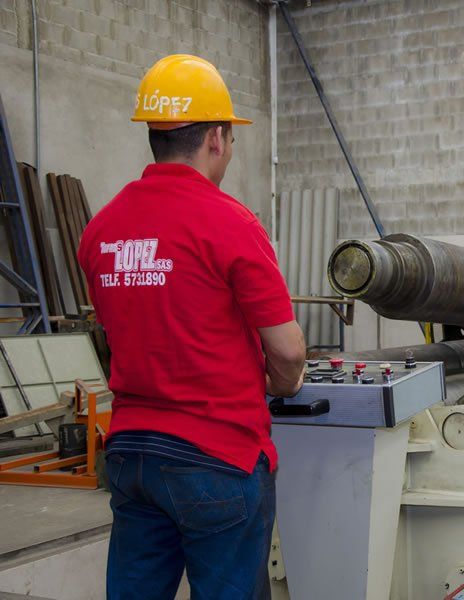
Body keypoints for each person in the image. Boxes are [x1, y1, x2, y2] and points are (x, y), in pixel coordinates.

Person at [77, 54, 306, 600]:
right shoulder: (230, 222)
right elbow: (288, 350)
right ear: (217, 138)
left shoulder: (100, 229)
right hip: (216, 455)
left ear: (154, 136)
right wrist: (283, 382)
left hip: (131, 454)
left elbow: (124, 332)